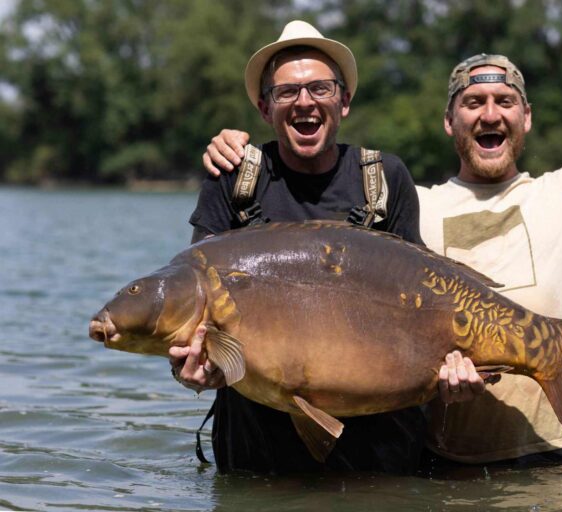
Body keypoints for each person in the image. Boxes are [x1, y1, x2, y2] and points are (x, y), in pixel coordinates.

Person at [200, 0, 562, 468]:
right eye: (473, 103)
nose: (490, 113)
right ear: (450, 123)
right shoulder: (410, 199)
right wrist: (231, 148)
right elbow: (344, 274)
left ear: (527, 118)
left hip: (554, 454)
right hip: (445, 462)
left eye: (505, 101)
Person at [169, 20, 427, 474]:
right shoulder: (231, 177)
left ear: (343, 101)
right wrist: (191, 371)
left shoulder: (386, 177)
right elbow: (197, 314)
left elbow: (425, 300)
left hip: (380, 456)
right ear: (265, 107)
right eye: (287, 92)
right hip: (256, 456)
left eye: (320, 89)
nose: (304, 102)